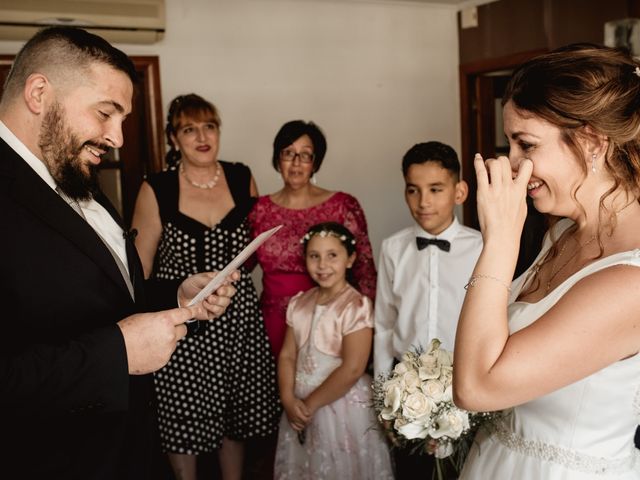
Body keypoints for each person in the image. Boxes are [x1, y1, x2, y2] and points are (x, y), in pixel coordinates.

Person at [0, 27, 237, 480]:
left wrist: (176, 295)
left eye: (123, 119)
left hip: (128, 447)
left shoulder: (72, 173)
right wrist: (117, 353)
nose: (118, 138)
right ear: (39, 93)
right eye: (106, 113)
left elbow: (104, 291)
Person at [454, 43, 640, 479]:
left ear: (592, 142)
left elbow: (477, 386)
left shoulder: (631, 281)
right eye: (510, 143)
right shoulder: (561, 232)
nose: (514, 164)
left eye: (526, 144)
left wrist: (499, 239)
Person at [131, 94, 281, 480]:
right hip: (184, 319)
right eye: (189, 128)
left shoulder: (239, 175)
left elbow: (255, 250)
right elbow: (138, 272)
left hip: (238, 317)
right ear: (173, 137)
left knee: (236, 413)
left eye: (209, 126)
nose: (202, 136)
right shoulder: (157, 188)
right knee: (185, 416)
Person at [373, 141, 482, 478]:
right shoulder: (392, 249)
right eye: (413, 190)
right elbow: (384, 324)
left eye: (435, 189)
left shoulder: (482, 246)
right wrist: (382, 396)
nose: (423, 202)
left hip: (466, 388)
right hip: (408, 396)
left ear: (459, 191)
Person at [248, 120, 377, 360]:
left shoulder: (342, 206)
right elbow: (242, 269)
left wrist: (365, 331)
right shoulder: (258, 210)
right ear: (278, 159)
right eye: (288, 153)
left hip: (330, 321)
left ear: (315, 162)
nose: (296, 163)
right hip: (270, 322)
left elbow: (365, 272)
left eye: (305, 155)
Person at [274, 222, 394, 479]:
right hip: (298, 400)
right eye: (314, 256)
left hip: (340, 403)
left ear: (350, 259)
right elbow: (287, 355)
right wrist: (288, 399)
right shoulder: (299, 303)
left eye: (332, 255)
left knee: (340, 465)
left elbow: (352, 368)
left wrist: (308, 405)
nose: (322, 264)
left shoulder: (356, 306)